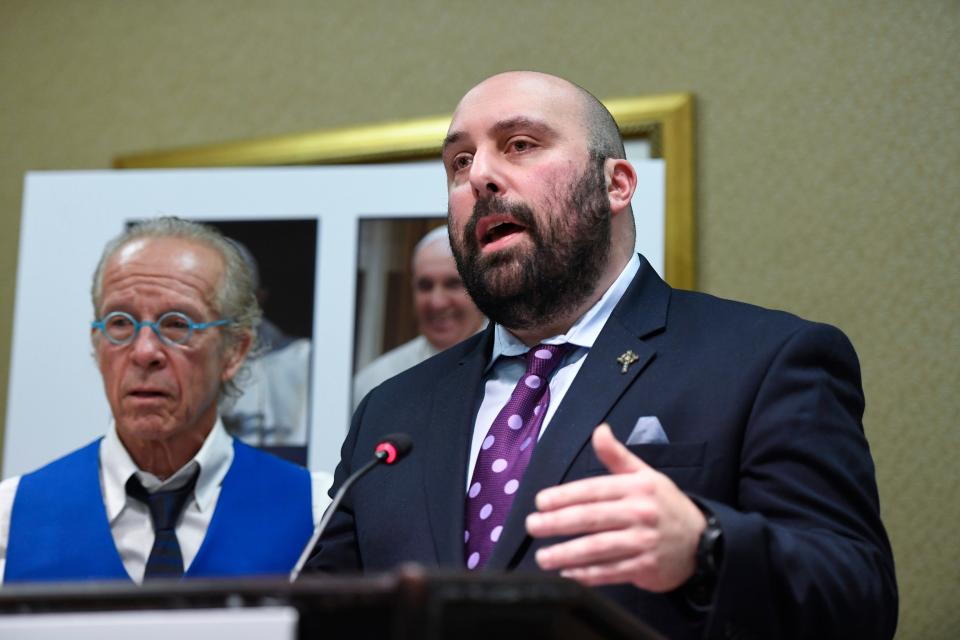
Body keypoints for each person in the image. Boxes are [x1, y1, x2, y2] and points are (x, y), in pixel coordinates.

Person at [303, 72, 897, 639]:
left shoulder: (765, 361)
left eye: (520, 144)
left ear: (616, 184)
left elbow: (858, 601)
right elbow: (316, 612)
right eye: (459, 161)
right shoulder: (392, 411)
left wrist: (707, 546)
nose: (479, 174)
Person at [0, 217, 331, 584]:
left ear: (235, 351)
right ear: (96, 343)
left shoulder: (317, 514)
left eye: (177, 324)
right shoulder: (11, 517)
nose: (144, 352)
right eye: (121, 323)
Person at [352, 226, 485, 409]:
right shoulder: (377, 380)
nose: (437, 302)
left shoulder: (510, 368)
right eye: (425, 286)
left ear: (481, 288)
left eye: (453, 284)